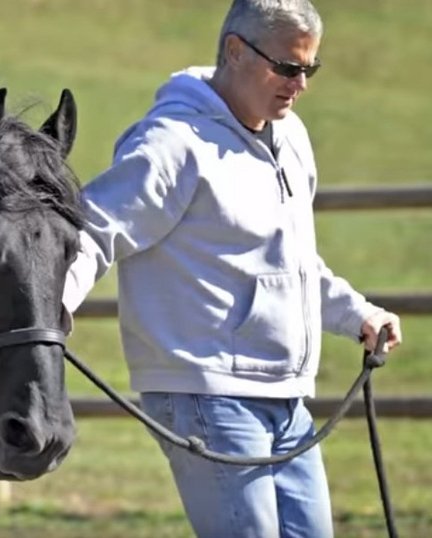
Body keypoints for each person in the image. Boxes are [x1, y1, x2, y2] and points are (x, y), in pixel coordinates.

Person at [62, 1, 403, 536]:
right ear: (235, 51)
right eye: (288, 67)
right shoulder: (171, 145)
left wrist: (356, 313)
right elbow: (93, 231)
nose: (300, 85)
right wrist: (48, 313)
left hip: (286, 398)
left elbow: (292, 262)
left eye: (309, 69)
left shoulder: (291, 140)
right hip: (206, 393)